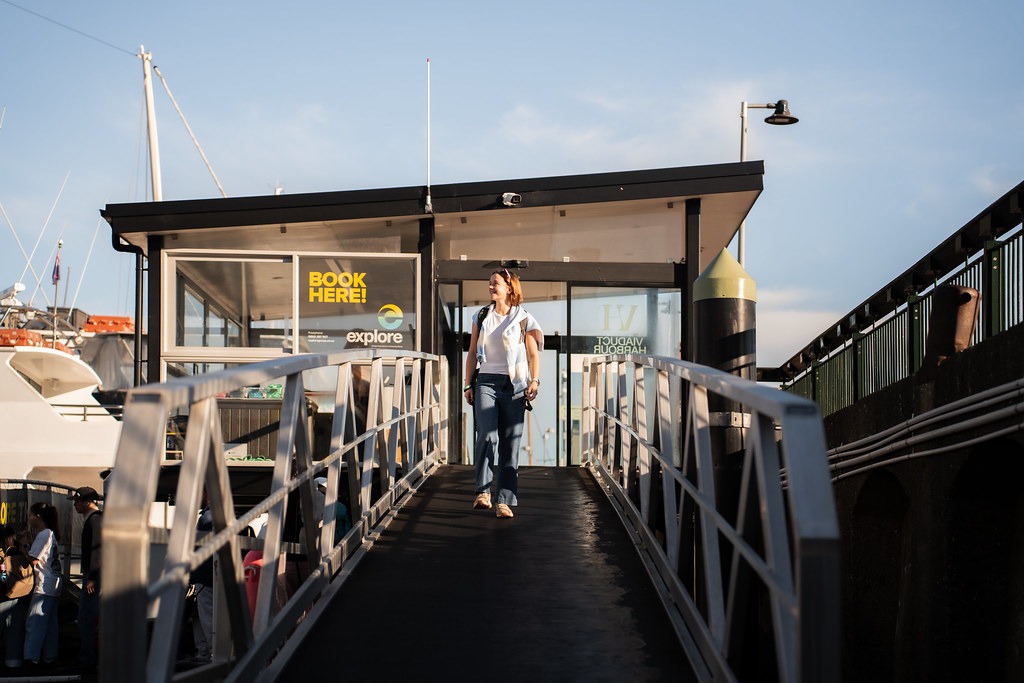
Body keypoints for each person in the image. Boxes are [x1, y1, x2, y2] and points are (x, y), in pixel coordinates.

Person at [463, 268, 542, 519]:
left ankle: (504, 502)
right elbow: (472, 352)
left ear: (509, 288)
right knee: (486, 436)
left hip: (514, 384)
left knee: (510, 444)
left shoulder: (524, 318)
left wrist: (534, 380)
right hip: (486, 382)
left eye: (495, 283)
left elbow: (533, 354)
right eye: (489, 283)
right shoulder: (481, 316)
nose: (490, 287)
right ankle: (483, 493)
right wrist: (467, 384)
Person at [68, 486, 103, 668]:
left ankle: (87, 657)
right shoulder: (96, 519)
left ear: (88, 502)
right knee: (89, 616)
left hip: (94, 575)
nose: (75, 505)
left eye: (77, 501)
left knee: (86, 617)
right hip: (94, 574)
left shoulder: (95, 520)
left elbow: (97, 550)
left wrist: (93, 577)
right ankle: (89, 655)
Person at [23, 502, 61, 667]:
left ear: (38, 517)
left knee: (35, 623)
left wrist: (25, 544)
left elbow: (33, 559)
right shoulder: (50, 533)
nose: (29, 518)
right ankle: (50, 657)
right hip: (53, 584)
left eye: (31, 515)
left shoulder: (44, 534)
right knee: (50, 625)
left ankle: (31, 658)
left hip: (44, 585)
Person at [0, 524, 33, 669]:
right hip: (21, 595)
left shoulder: (3, 555)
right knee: (15, 630)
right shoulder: (21, 552)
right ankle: (13, 661)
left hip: (4, 595)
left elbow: (2, 579)